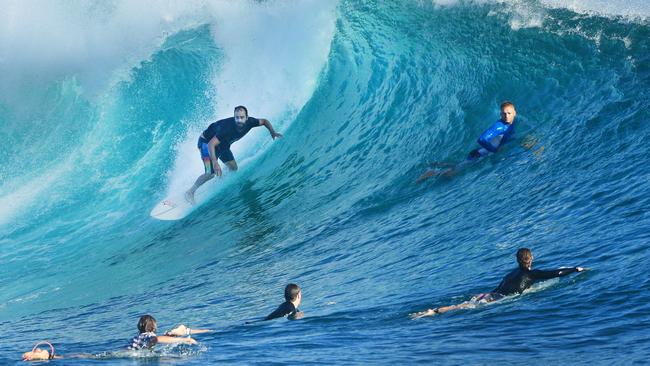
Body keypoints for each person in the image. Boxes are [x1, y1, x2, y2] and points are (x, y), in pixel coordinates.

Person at [410, 248, 586, 319]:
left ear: (517, 260)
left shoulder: (511, 273)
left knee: (464, 304)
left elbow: (499, 287)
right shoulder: (531, 274)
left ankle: (434, 311)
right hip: (496, 298)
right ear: (531, 258)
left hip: (488, 294)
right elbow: (555, 273)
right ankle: (434, 311)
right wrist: (575, 269)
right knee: (459, 307)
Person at [417, 101, 540, 183]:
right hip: (482, 153)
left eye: (509, 113)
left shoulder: (511, 123)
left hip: (481, 152)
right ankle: (431, 173)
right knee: (453, 173)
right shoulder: (499, 126)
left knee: (459, 164)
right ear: (500, 114)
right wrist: (495, 150)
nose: (506, 116)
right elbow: (481, 139)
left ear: (514, 113)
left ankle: (438, 164)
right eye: (503, 113)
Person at [185, 105, 282, 204]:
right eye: (237, 117)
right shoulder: (226, 128)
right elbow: (211, 144)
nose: (239, 120)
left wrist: (273, 132)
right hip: (206, 142)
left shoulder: (251, 122)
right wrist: (215, 162)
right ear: (234, 117)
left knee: (233, 168)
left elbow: (264, 121)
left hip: (223, 144)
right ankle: (190, 192)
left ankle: (219, 178)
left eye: (242, 117)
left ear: (247, 118)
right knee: (210, 172)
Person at [22, 315, 210, 361]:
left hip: (123, 352)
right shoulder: (149, 336)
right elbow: (159, 340)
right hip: (122, 354)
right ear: (154, 327)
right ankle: (49, 357)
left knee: (87, 356)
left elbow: (161, 339)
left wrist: (184, 334)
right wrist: (183, 340)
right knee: (89, 357)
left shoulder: (142, 335)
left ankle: (52, 357)